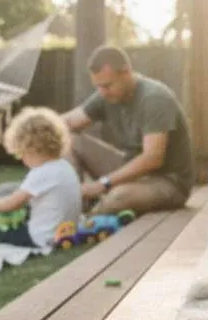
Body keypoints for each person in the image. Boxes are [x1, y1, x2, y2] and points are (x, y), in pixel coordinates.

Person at [61, 46, 196, 215]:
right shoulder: (106, 94)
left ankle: (87, 221)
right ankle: (72, 202)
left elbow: (153, 158)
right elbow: (65, 122)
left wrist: (102, 184)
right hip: (130, 168)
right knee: (67, 139)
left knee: (118, 197)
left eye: (107, 86)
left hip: (168, 182)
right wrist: (29, 129)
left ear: (126, 72)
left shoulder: (154, 98)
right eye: (98, 87)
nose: (102, 93)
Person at [0, 107, 82, 248]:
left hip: (43, 237)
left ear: (32, 149)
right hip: (66, 232)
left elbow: (14, 203)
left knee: (7, 234)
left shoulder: (40, 173)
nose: (22, 160)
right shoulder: (65, 166)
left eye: (21, 154)